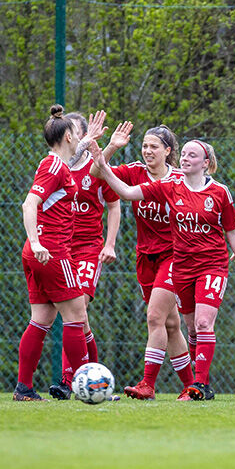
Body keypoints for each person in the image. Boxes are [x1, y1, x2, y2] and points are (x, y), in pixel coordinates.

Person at [92, 137, 235, 401]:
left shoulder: (220, 192)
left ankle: (192, 385)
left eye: (192, 155)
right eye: (185, 154)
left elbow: (232, 230)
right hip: (181, 266)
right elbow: (128, 193)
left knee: (197, 321)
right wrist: (103, 165)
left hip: (210, 264)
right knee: (184, 326)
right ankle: (192, 385)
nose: (186, 158)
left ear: (206, 163)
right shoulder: (170, 185)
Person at [88, 123, 196, 400]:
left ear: (168, 151)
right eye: (145, 146)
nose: (147, 151)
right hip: (145, 257)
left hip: (175, 255)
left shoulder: (180, 179)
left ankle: (147, 384)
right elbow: (94, 172)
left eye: (154, 147)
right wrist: (111, 146)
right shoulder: (135, 171)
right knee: (170, 324)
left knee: (154, 317)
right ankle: (191, 386)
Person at [13, 105, 93, 401]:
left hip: (41, 253)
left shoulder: (56, 163)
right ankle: (89, 386)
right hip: (52, 252)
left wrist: (92, 140)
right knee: (76, 315)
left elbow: (73, 155)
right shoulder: (55, 168)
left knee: (41, 320)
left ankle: (24, 388)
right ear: (69, 135)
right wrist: (36, 242)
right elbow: (29, 204)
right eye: (76, 134)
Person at [45, 111, 122, 400]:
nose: (74, 138)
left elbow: (114, 206)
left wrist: (110, 243)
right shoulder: (55, 168)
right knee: (79, 320)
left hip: (89, 249)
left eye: (77, 132)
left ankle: (70, 380)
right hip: (61, 249)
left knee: (78, 312)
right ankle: (91, 379)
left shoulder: (96, 169)